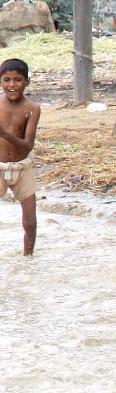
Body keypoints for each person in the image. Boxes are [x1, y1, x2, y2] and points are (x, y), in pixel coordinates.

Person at [0, 58, 41, 256]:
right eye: (6, 80)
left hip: (22, 166)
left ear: (27, 82)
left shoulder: (32, 109)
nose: (12, 85)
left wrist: (5, 135)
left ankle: (28, 258)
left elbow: (27, 146)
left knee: (30, 221)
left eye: (18, 80)